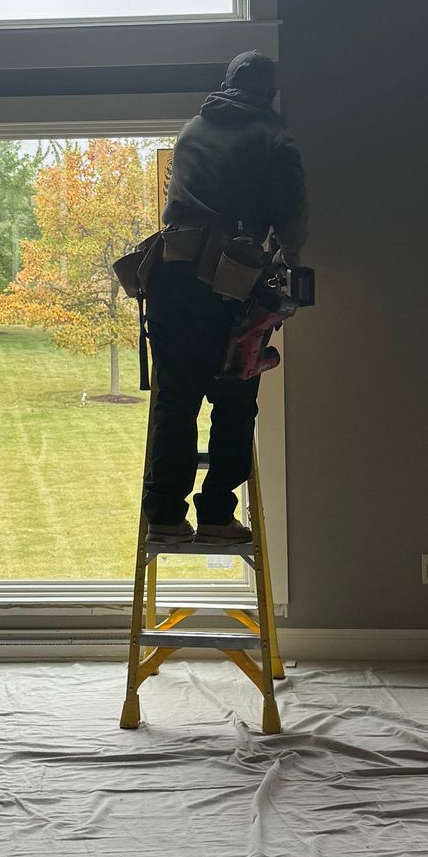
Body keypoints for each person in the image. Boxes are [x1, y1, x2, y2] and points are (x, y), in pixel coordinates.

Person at [143, 51, 307, 550]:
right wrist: (289, 262)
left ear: (227, 84)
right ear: (270, 94)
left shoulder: (193, 127)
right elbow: (293, 219)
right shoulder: (275, 140)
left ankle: (166, 516)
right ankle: (216, 513)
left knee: (176, 395)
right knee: (235, 393)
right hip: (229, 281)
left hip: (170, 272)